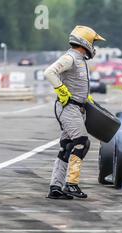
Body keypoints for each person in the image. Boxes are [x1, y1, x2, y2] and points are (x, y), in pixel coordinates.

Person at [45, 26, 105, 200]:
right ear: (85, 41)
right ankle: (71, 184)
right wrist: (61, 90)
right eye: (93, 42)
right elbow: (49, 72)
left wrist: (86, 99)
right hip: (68, 107)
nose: (94, 45)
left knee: (67, 146)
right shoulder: (70, 57)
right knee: (81, 143)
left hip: (77, 106)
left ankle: (55, 187)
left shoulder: (79, 59)